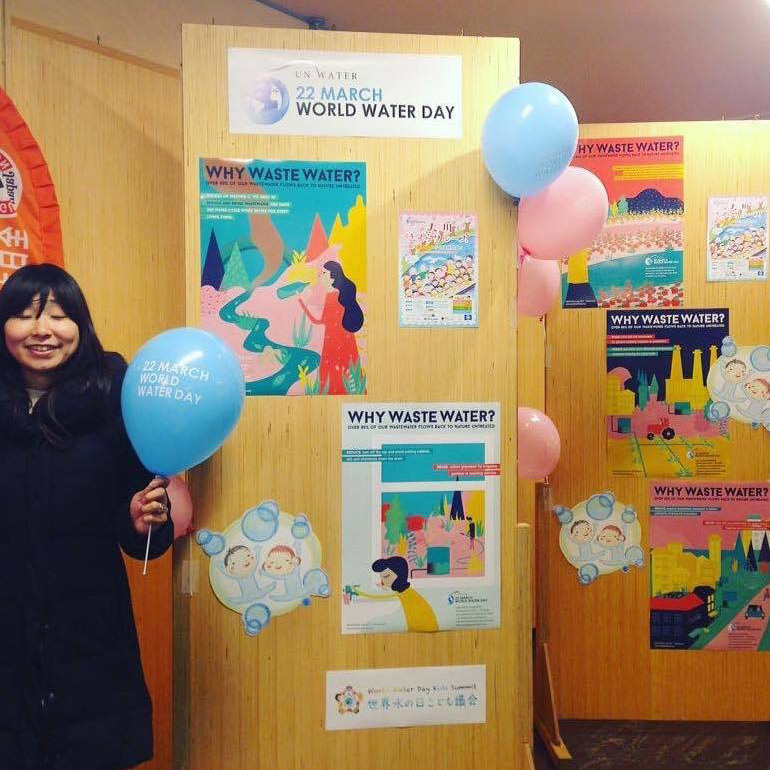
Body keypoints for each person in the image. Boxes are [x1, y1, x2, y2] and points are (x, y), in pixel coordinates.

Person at [0, 264, 173, 769]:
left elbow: (140, 526)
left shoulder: (116, 404)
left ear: (81, 325)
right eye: (25, 315)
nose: (42, 330)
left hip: (88, 634)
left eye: (58, 315)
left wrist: (142, 521)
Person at [298, 260, 363, 394]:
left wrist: (302, 304)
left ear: (332, 278)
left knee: (339, 371)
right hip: (339, 340)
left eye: (323, 273)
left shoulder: (335, 297)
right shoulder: (334, 296)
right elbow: (323, 321)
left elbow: (319, 321)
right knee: (347, 372)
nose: (320, 275)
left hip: (335, 342)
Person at [352, 556, 438, 632]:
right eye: (381, 578)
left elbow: (378, 597)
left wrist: (357, 592)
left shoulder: (405, 594)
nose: (382, 582)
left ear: (399, 575)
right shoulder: (406, 592)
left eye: (386, 576)